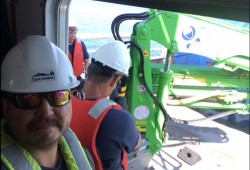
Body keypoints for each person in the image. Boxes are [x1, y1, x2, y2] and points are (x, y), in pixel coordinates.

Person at [1, 35, 93, 170]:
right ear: (6, 107)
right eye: (28, 99)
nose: (46, 111)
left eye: (58, 96)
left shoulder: (83, 155)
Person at [71, 41, 142, 170]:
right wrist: (124, 112)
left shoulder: (64, 103)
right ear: (115, 80)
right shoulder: (119, 119)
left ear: (88, 69)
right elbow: (136, 145)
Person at [68, 16, 90, 93]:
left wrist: (88, 76)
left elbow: (87, 61)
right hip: (64, 80)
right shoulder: (59, 43)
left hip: (77, 79)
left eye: (75, 30)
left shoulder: (81, 44)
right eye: (70, 30)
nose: (73, 32)